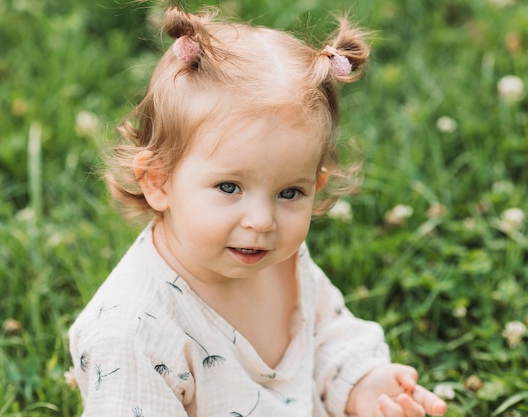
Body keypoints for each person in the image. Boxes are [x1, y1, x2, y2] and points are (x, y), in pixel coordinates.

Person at [68, 4, 448, 417]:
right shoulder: (133, 333)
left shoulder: (276, 258)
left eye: (290, 193)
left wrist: (362, 384)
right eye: (229, 187)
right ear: (158, 181)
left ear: (316, 184)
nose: (263, 221)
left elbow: (327, 332)